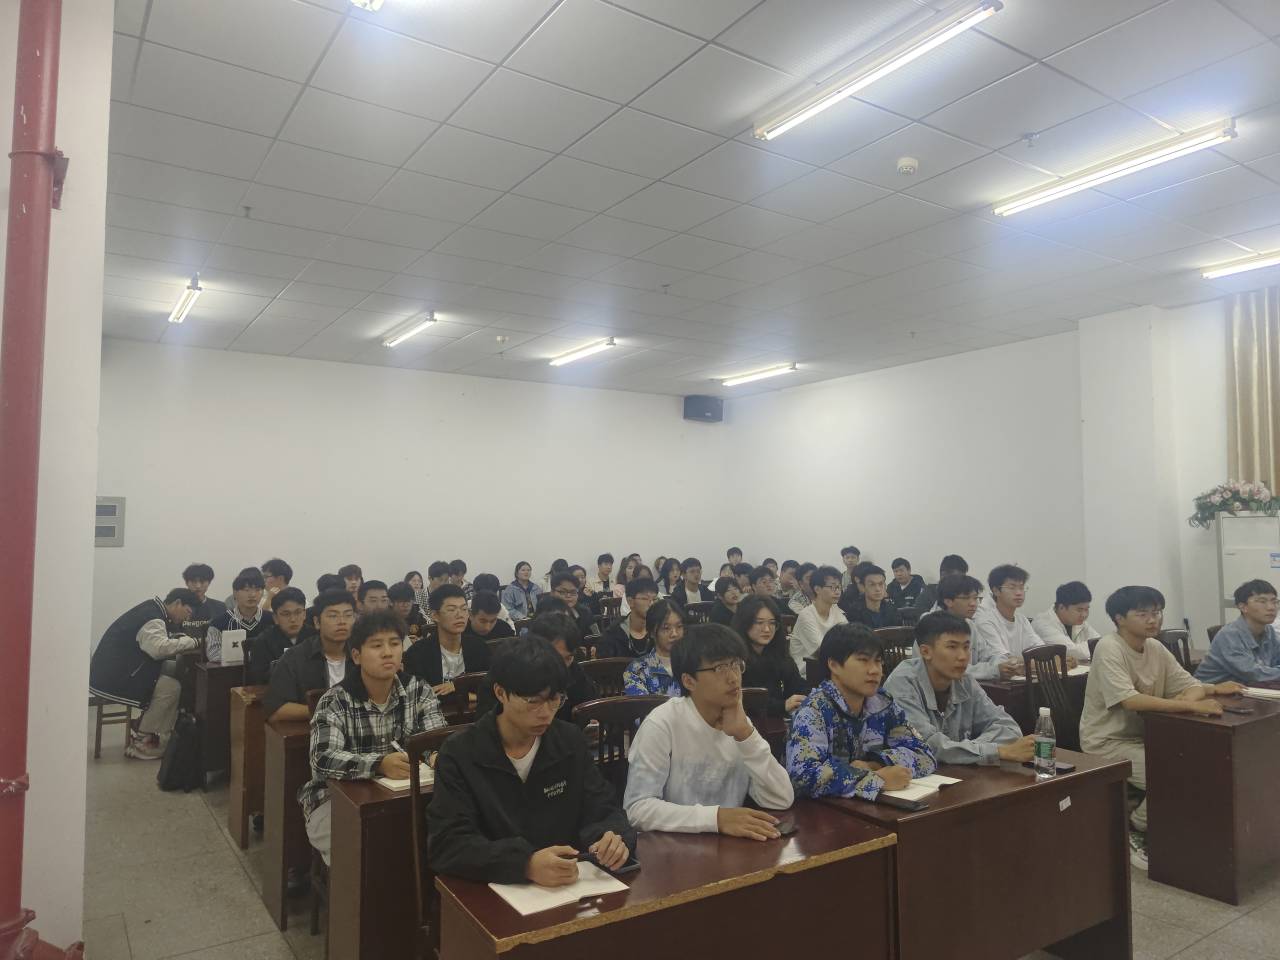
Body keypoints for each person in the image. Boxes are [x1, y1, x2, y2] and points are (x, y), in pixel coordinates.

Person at [428, 637, 634, 884]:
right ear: (500, 693)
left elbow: (604, 808)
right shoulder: (460, 753)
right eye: (532, 701)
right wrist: (524, 864)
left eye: (554, 700)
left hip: (570, 884)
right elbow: (448, 844)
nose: (545, 713)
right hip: (493, 890)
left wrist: (613, 837)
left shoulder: (569, 741)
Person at [1081, 586, 1244, 868]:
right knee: (1173, 772)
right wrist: (1190, 705)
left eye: (1156, 612)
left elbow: (1189, 684)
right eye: (1142, 613)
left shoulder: (1154, 647)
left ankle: (1176, 828)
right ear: (1119, 618)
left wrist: (1203, 692)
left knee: (1206, 763)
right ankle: (1135, 827)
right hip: (1107, 741)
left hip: (1149, 736)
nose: (1153, 619)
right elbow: (1130, 700)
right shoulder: (1109, 647)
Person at [300, 610, 446, 864]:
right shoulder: (335, 700)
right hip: (333, 801)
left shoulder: (418, 690)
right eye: (377, 646)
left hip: (406, 796)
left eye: (395, 644)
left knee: (441, 833)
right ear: (356, 656)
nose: (388, 653)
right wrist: (379, 764)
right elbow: (322, 758)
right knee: (363, 847)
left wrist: (434, 755)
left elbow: (435, 739)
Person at [624, 624, 793, 837]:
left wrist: (746, 736)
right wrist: (715, 818)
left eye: (736, 665)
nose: (733, 678)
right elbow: (638, 809)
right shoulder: (662, 723)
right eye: (720, 668)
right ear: (689, 681)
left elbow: (781, 799)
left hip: (729, 845)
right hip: (673, 846)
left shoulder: (738, 722)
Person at [787, 625, 937, 800]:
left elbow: (925, 755)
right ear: (834, 665)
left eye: (878, 661)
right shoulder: (814, 711)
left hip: (874, 807)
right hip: (823, 811)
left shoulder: (883, 704)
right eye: (864, 660)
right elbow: (802, 776)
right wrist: (876, 779)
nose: (875, 670)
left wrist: (875, 764)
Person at [884, 613, 1032, 764]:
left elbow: (1009, 728)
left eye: (966, 647)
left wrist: (970, 751)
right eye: (952, 647)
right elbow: (925, 745)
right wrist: (996, 751)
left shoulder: (964, 680)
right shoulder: (902, 683)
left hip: (957, 772)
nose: (963, 657)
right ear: (926, 652)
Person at [89, 588, 201, 759]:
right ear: (177, 603)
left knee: (173, 671)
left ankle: (145, 725)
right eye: (188, 612)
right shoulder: (153, 617)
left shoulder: (153, 609)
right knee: (171, 687)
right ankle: (142, 742)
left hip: (117, 670)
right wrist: (193, 642)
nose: (187, 618)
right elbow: (158, 649)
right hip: (114, 677)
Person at [263, 588, 354, 723]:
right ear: (317, 622)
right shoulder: (294, 658)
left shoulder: (364, 654)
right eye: (333, 616)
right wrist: (327, 711)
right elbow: (275, 710)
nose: (342, 621)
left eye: (348, 615)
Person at [404, 584, 491, 696]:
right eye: (451, 610)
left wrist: (457, 688)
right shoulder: (417, 653)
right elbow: (418, 696)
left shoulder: (479, 647)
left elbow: (491, 690)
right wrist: (466, 694)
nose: (460, 615)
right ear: (435, 615)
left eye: (464, 609)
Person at [972, 564, 1053, 677]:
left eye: (1021, 587)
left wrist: (1053, 658)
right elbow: (1003, 661)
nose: (1019, 593)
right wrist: (1042, 662)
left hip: (1023, 678)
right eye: (1012, 587)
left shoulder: (1022, 619)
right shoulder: (985, 621)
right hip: (1001, 683)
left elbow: (1042, 651)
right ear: (996, 591)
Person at [1195, 579, 1280, 684]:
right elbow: (1252, 673)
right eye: (1262, 601)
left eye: (1274, 601)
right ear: (1243, 607)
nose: (1271, 607)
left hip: (1249, 688)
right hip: (1213, 690)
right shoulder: (1229, 635)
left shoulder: (1269, 631)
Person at [734, 596, 806, 717]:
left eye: (772, 623)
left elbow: (797, 684)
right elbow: (747, 701)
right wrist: (782, 705)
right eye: (759, 622)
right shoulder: (735, 659)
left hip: (782, 718)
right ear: (745, 623)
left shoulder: (778, 651)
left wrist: (804, 697)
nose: (767, 629)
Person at [207, 567, 274, 663]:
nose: (252, 594)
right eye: (246, 590)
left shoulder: (273, 619)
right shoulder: (218, 623)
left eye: (257, 589)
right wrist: (252, 656)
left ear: (263, 592)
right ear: (235, 593)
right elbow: (214, 654)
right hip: (232, 671)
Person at [789, 565, 847, 671]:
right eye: (832, 587)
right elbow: (822, 651)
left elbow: (849, 639)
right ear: (817, 589)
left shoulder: (836, 610)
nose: (838, 591)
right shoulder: (806, 615)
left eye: (839, 587)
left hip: (831, 666)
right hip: (806, 671)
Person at [247, 586, 308, 685]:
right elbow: (260, 678)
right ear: (275, 618)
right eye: (286, 614)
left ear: (304, 614)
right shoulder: (263, 642)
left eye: (298, 612)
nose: (293, 619)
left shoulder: (315, 637)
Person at [623, 597, 683, 696]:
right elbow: (641, 705)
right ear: (651, 632)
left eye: (679, 626)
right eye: (666, 628)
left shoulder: (696, 664)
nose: (674, 634)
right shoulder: (637, 670)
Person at [1031, 582, 1100, 662]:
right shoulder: (1043, 624)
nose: (1084, 615)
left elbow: (1100, 643)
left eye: (1087, 609)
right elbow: (1073, 652)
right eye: (1079, 610)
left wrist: (1089, 646)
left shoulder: (1078, 621)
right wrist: (1088, 646)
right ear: (1062, 607)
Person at [598, 577, 657, 659]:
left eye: (655, 599)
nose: (651, 604)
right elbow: (605, 665)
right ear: (630, 601)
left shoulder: (659, 630)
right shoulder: (613, 633)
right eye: (645, 599)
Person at [841, 564, 904, 629]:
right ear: (863, 587)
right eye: (872, 584)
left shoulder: (892, 610)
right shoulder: (854, 613)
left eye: (881, 584)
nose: (878, 589)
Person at [544, 571, 598, 641]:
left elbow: (597, 634)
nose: (568, 596)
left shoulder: (585, 612)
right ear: (552, 593)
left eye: (573, 592)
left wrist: (594, 645)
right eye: (563, 592)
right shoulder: (544, 612)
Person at [181, 563, 225, 641]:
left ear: (209, 583)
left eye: (202, 581)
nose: (198, 586)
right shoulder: (178, 607)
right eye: (194, 581)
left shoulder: (220, 607)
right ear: (186, 583)